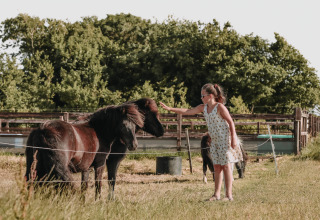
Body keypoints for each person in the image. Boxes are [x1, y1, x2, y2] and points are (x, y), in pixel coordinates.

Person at [160, 83, 243, 201]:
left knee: (226, 167)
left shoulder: (220, 107)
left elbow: (231, 122)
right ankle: (216, 195)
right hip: (214, 141)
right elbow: (187, 111)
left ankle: (229, 196)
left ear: (210, 96)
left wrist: (233, 138)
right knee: (217, 167)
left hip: (225, 140)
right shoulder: (203, 107)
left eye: (202, 95)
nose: (201, 98)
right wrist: (170, 109)